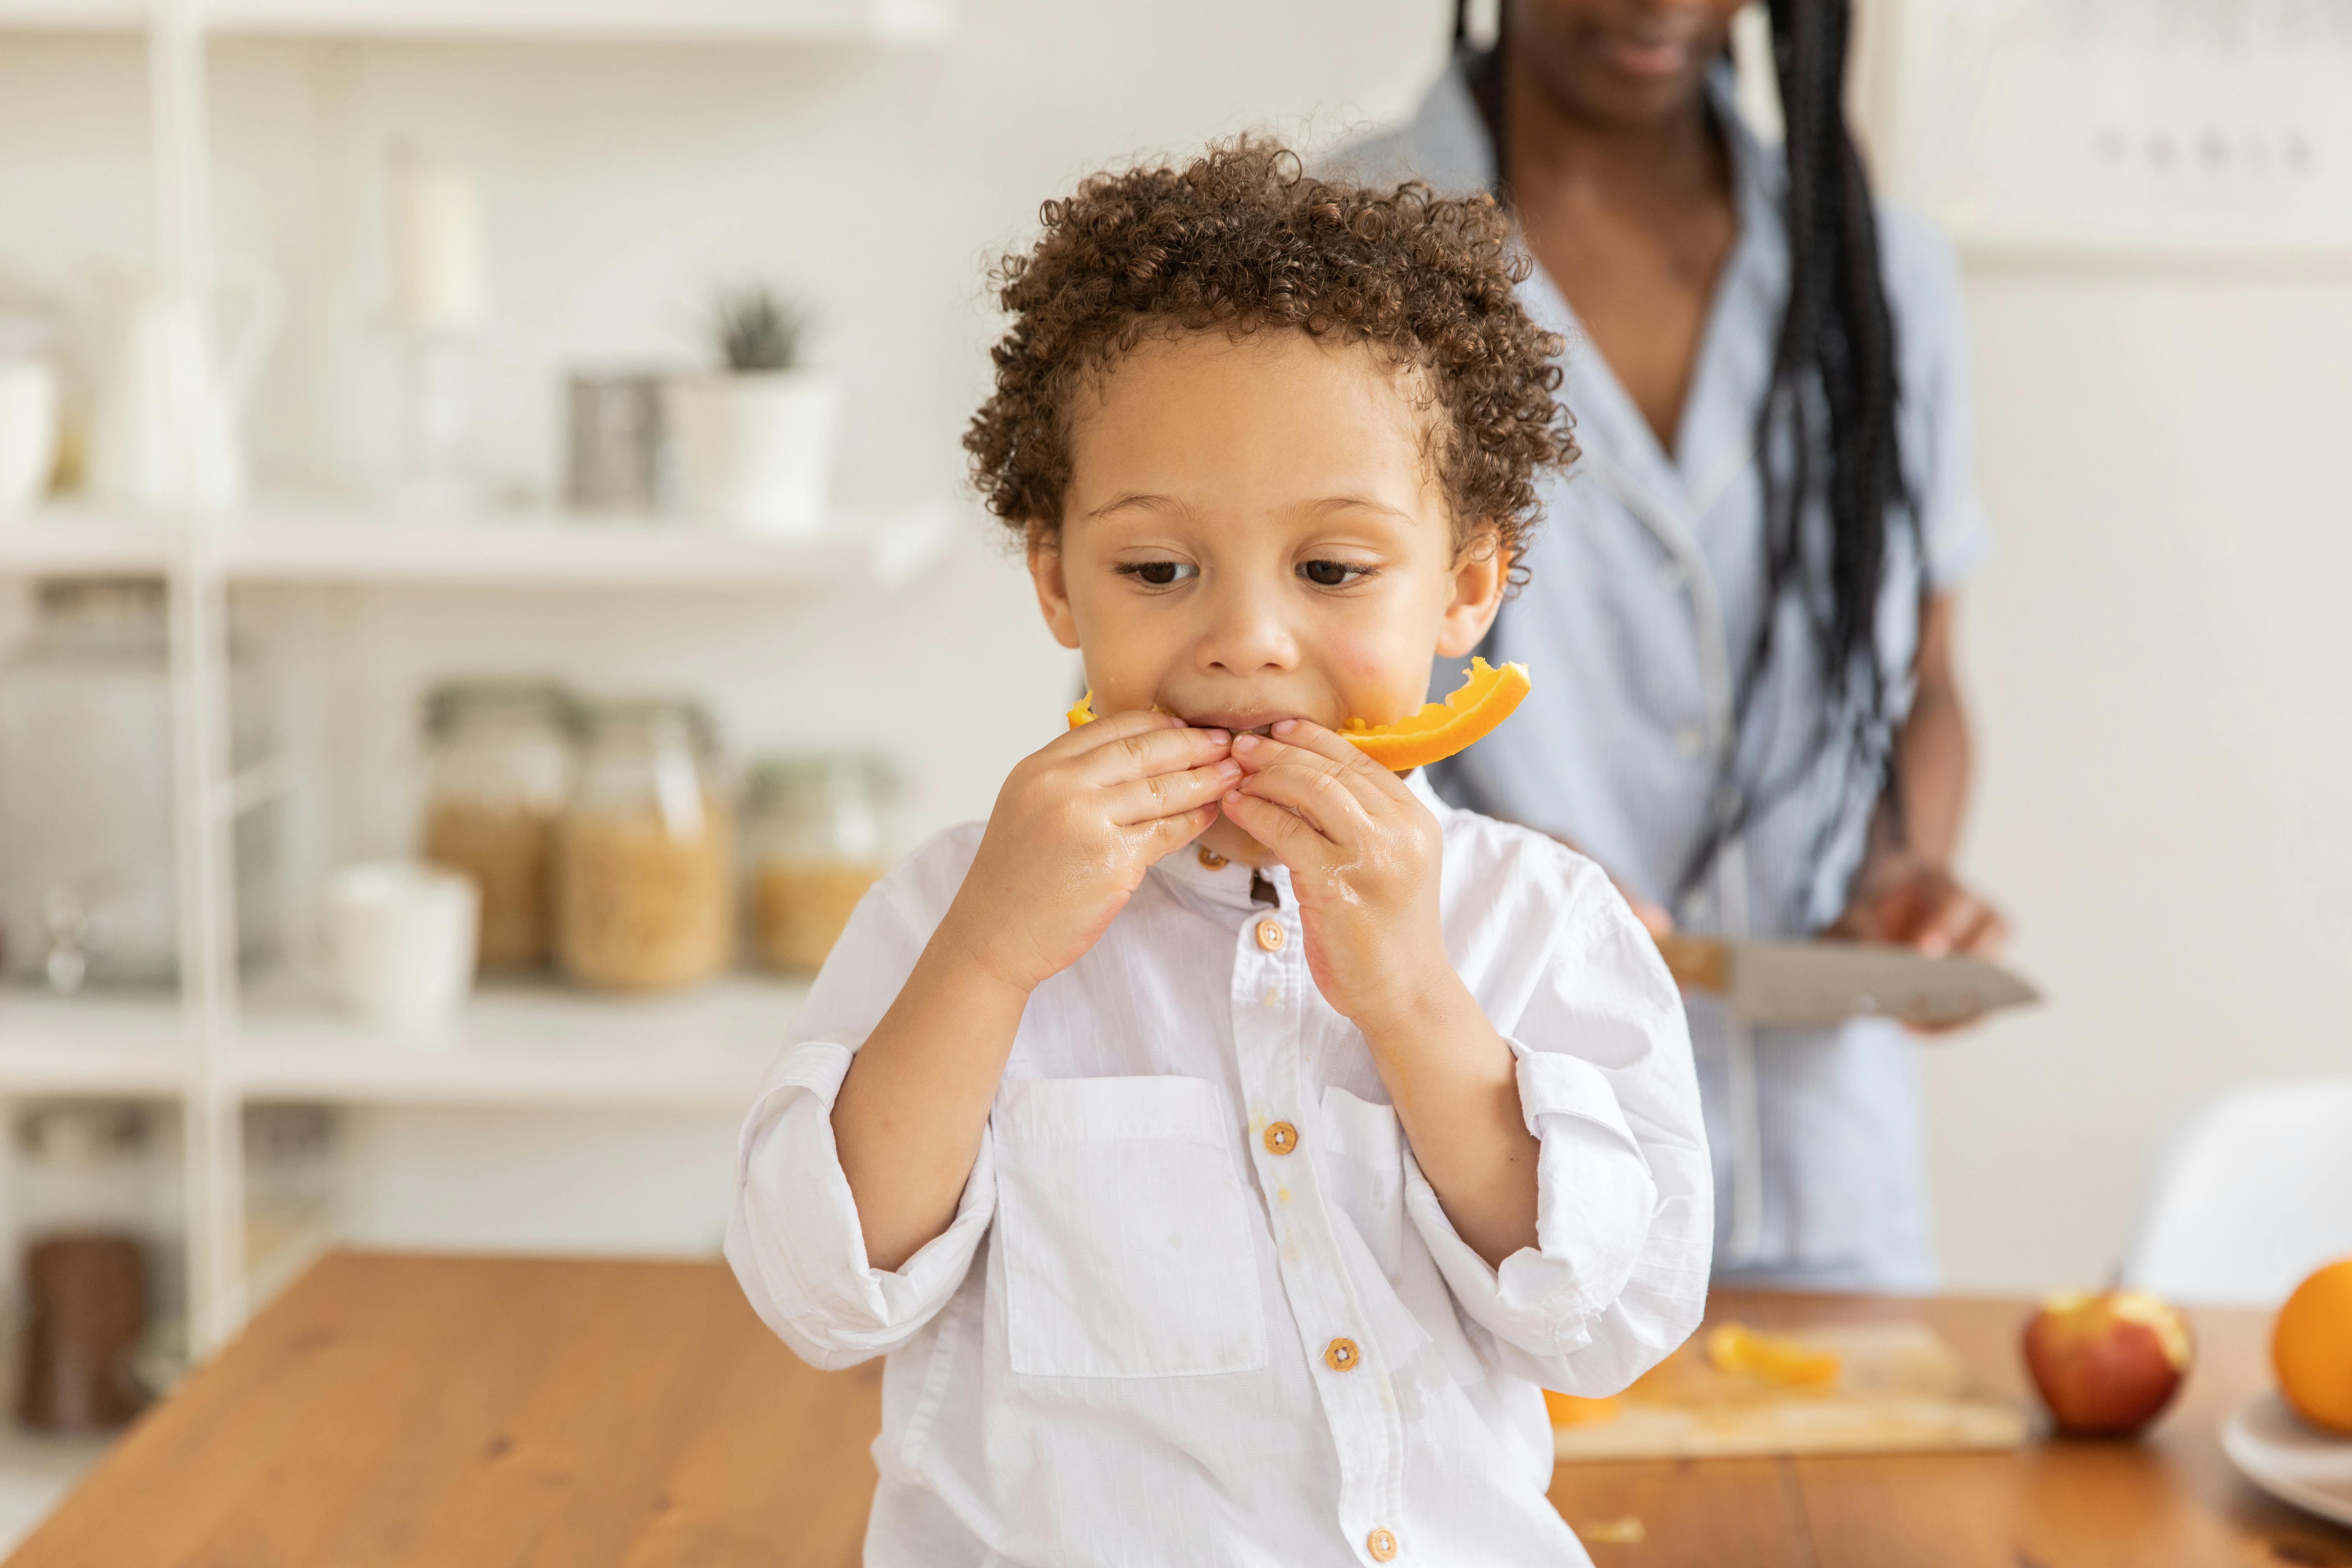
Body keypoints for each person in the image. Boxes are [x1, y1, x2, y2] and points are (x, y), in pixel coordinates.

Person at [727, 142, 1709, 1567]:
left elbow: (1607, 1322)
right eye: (1156, 569)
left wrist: (1416, 1000)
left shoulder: (1543, 923)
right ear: (1058, 578)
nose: (1247, 639)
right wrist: (993, 959)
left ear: (1470, 586)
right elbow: (822, 1292)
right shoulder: (955, 909)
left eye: (1331, 570)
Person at [1332, 0, 2006, 1292]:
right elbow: (1216, 687)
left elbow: (1926, 678)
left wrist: (1906, 868)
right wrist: (1492, 873)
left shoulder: (1878, 270)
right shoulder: (1331, 255)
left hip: (1818, 1157)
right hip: (1459, 1165)